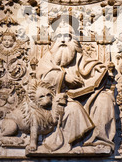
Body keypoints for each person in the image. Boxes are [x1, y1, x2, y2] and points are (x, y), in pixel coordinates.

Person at [36, 16, 116, 152]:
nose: (62, 40)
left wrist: (98, 70)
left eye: (66, 36)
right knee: (73, 108)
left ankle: (99, 142)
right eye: (59, 36)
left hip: (86, 98)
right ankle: (67, 144)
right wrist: (64, 77)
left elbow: (91, 67)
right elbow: (42, 78)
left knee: (105, 99)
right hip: (57, 99)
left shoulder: (80, 57)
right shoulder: (48, 58)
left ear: (73, 40)